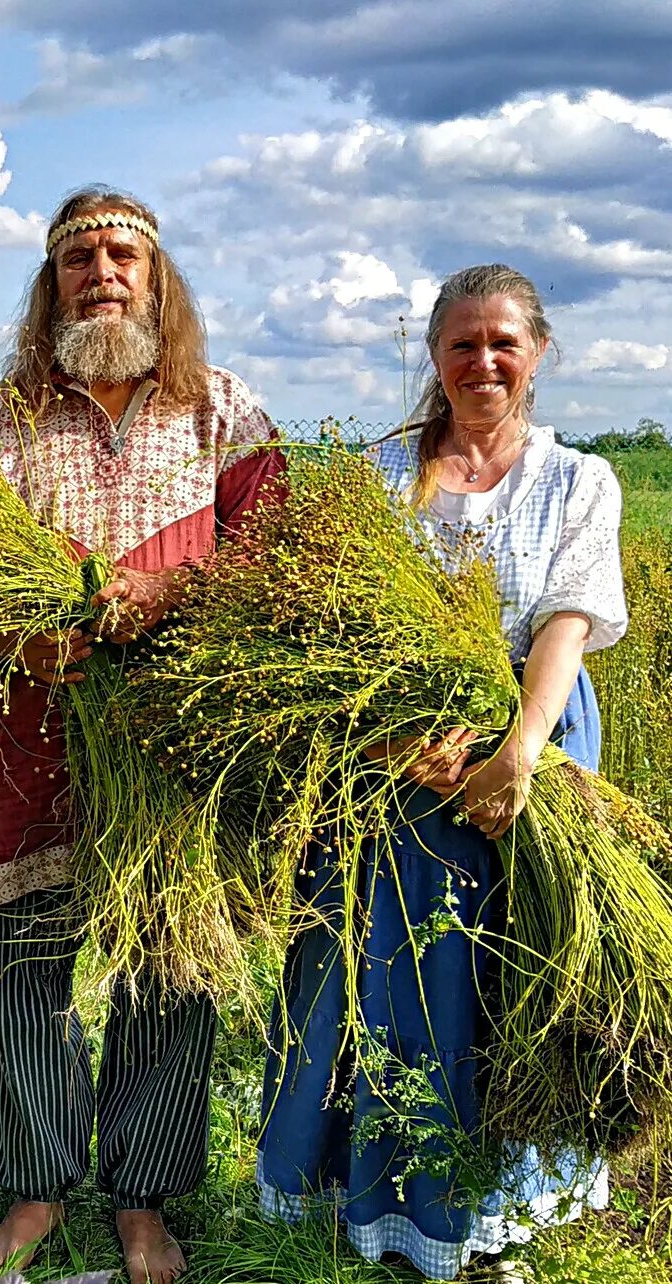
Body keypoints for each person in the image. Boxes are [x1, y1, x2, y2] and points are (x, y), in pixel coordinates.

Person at [257, 264, 627, 1279]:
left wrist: (517, 753)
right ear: (433, 356)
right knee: (387, 972)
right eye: (461, 343)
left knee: (512, 977)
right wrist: (389, 742)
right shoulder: (379, 477)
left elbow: (565, 622)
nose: (482, 361)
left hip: (533, 741)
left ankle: (492, 1221)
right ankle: (379, 1207)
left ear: (537, 352)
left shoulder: (578, 479)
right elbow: (337, 633)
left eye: (502, 341)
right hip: (388, 755)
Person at [0, 187, 285, 1284]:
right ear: (51, 284)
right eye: (78, 261)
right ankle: (37, 1186)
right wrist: (18, 632)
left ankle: (143, 1196)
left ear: (156, 280)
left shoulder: (221, 408)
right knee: (25, 958)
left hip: (169, 729)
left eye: (121, 258)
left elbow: (270, 559)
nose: (102, 274)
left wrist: (169, 596)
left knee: (169, 958)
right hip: (27, 723)